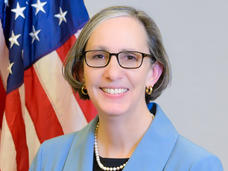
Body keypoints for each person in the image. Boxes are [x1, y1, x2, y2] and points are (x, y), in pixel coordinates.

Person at [29, 6, 223, 171]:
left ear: (153, 74)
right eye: (98, 56)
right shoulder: (49, 159)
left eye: (130, 57)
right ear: (81, 71)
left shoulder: (196, 165)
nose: (113, 73)